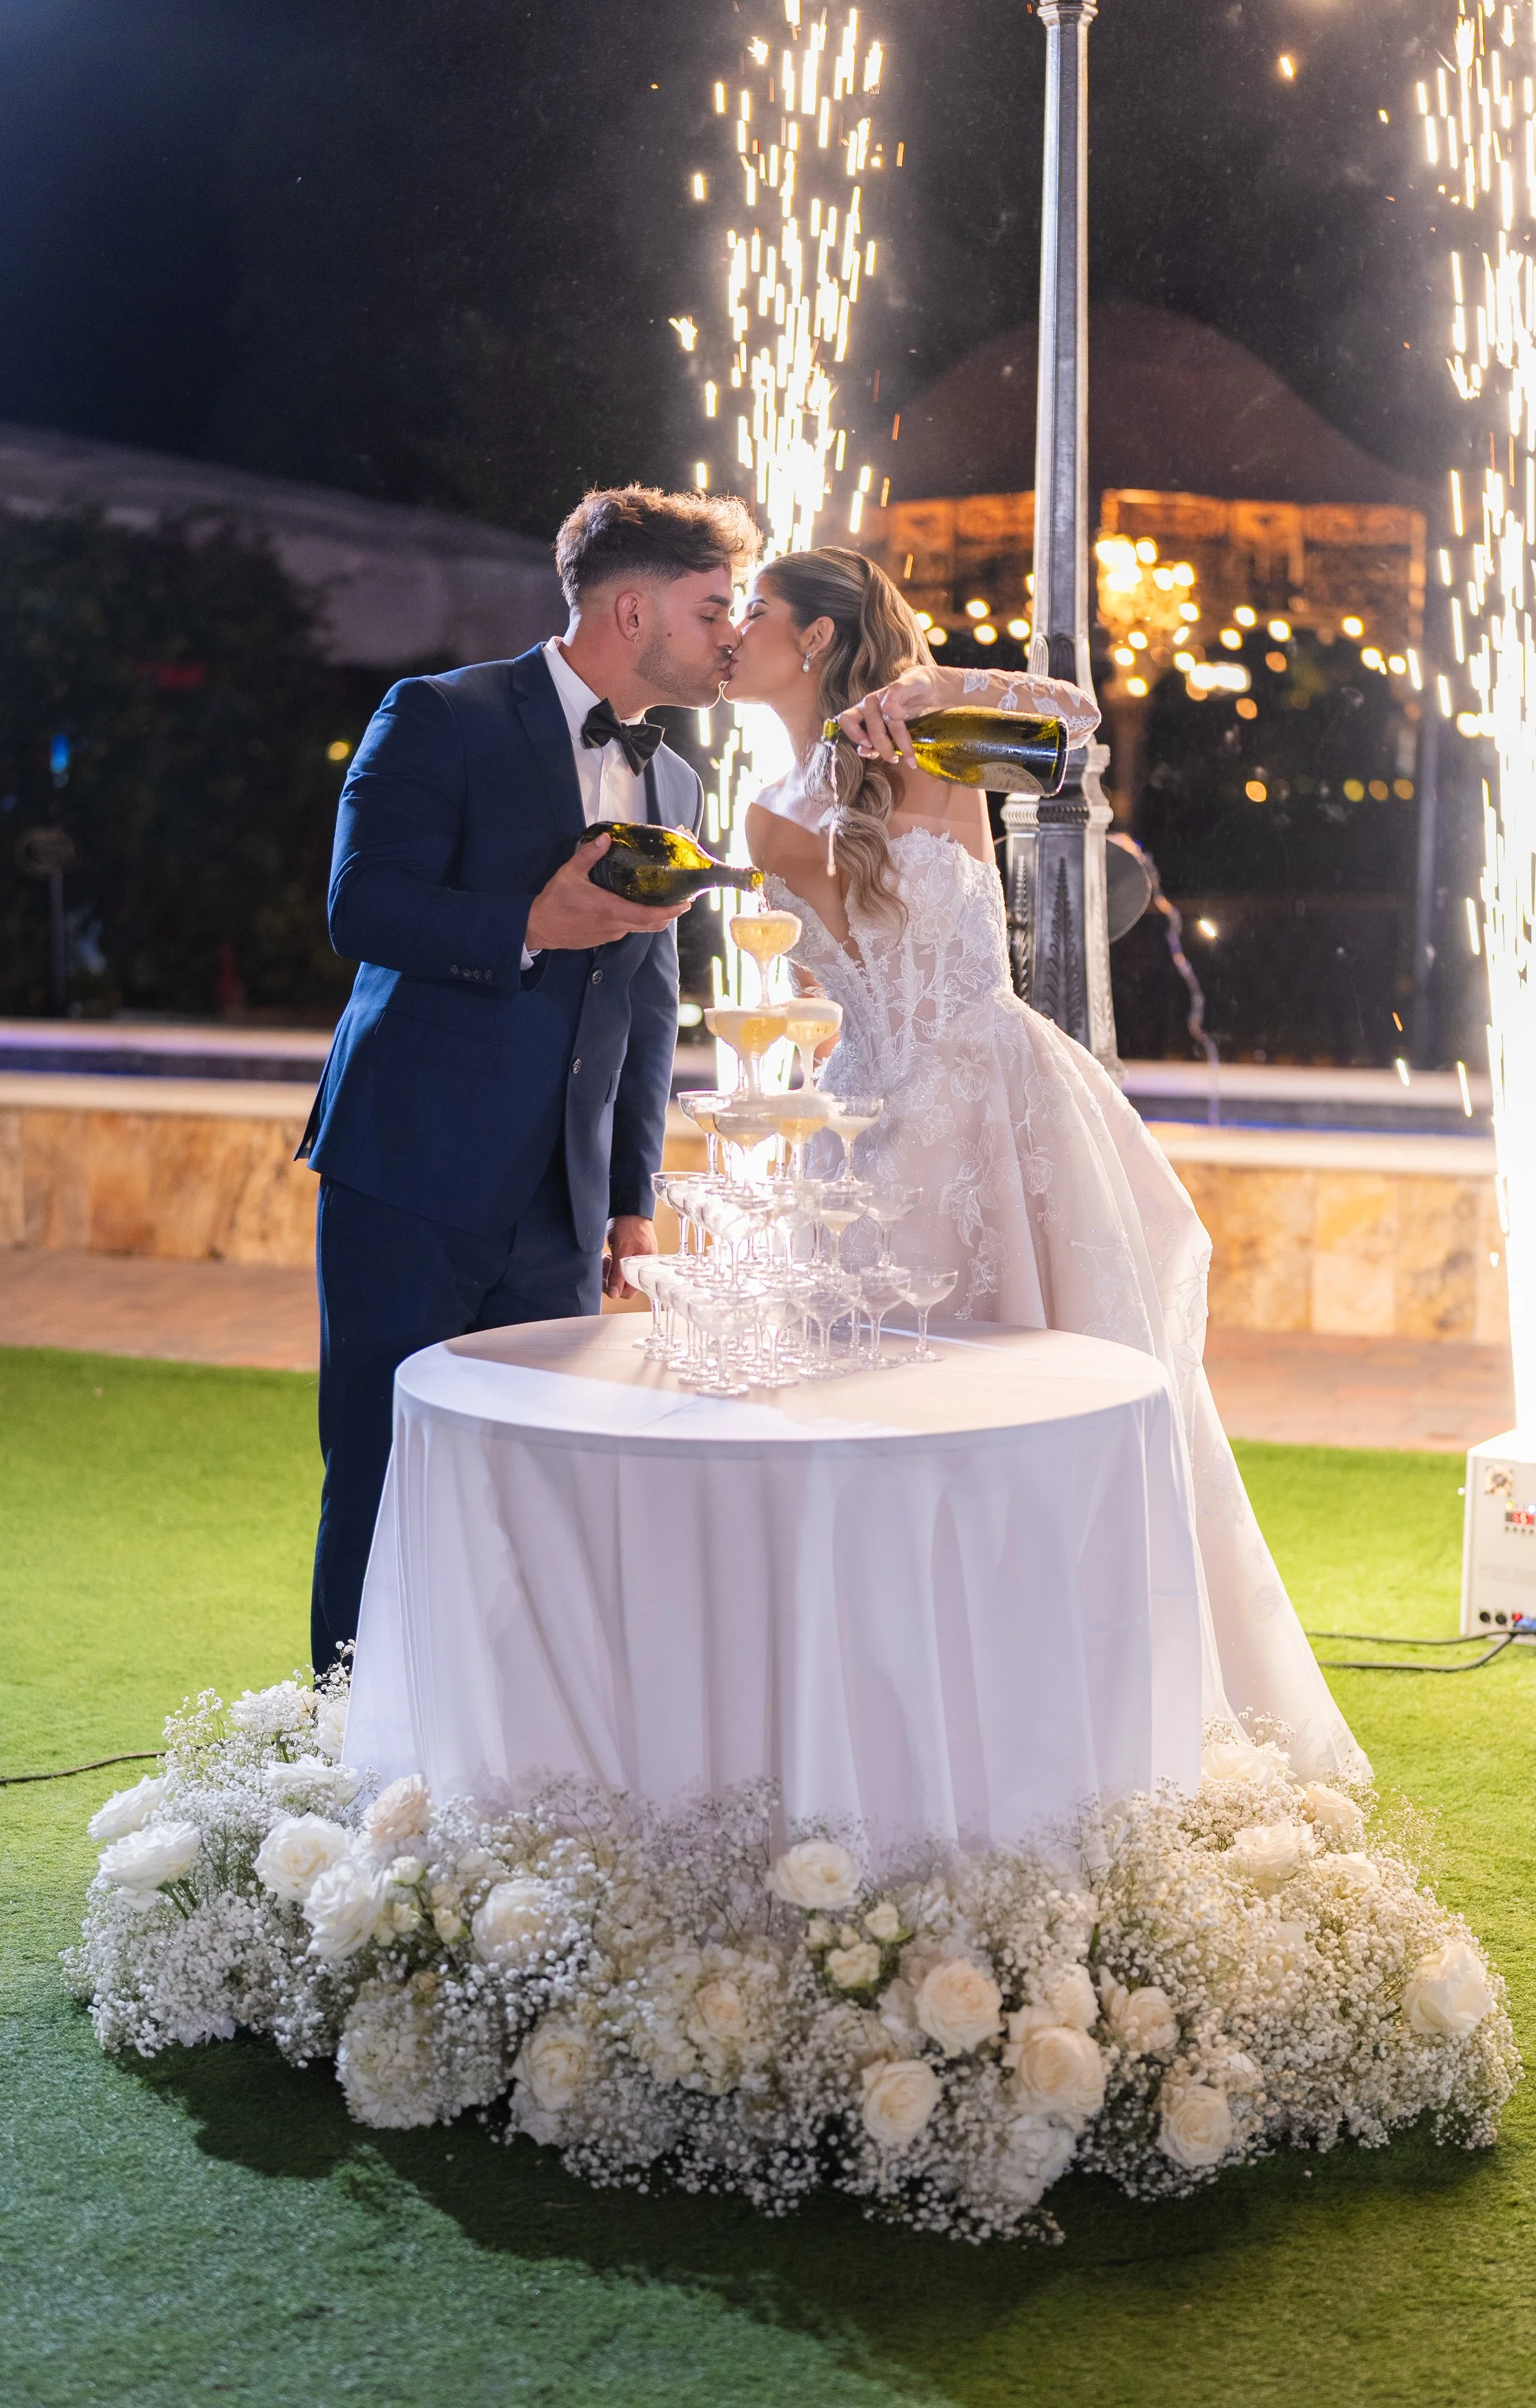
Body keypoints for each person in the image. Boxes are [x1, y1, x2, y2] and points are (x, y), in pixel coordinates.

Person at [722, 544, 1366, 1783]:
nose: (733, 629)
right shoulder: (765, 816)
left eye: (754, 609)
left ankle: (1087, 1703)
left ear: (813, 638)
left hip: (995, 1105)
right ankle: (900, 1707)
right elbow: (825, 984)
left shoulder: (941, 738)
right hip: (863, 1118)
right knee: (874, 1416)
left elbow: (1075, 730)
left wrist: (918, 689)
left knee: (1039, 1393)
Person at [299, 485, 759, 1676]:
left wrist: (628, 1191)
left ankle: (504, 1751)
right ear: (630, 606)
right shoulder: (441, 716)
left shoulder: (677, 784)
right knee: (384, 1466)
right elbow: (361, 907)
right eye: (714, 610)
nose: (732, 637)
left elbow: (652, 1002)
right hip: (410, 1171)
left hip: (562, 1203)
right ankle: (344, 1745)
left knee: (536, 1487)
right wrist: (530, 921)